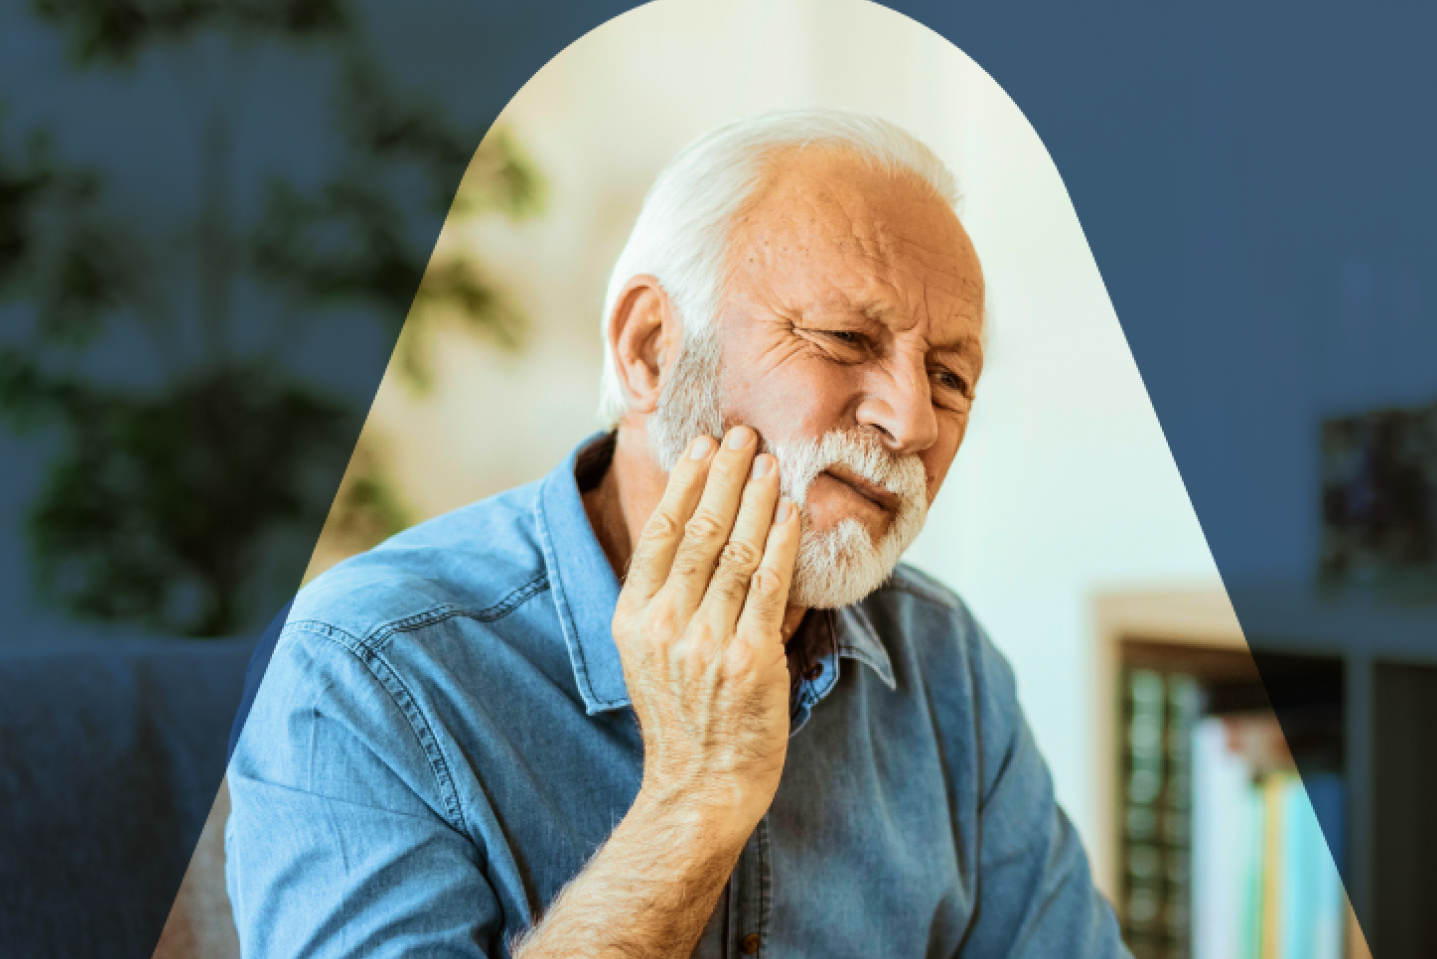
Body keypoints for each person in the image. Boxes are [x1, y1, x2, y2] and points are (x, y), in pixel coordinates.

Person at [225, 108, 1130, 958]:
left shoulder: (945, 665)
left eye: (949, 378)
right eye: (845, 338)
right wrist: (695, 797)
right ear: (653, 348)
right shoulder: (360, 669)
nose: (912, 423)